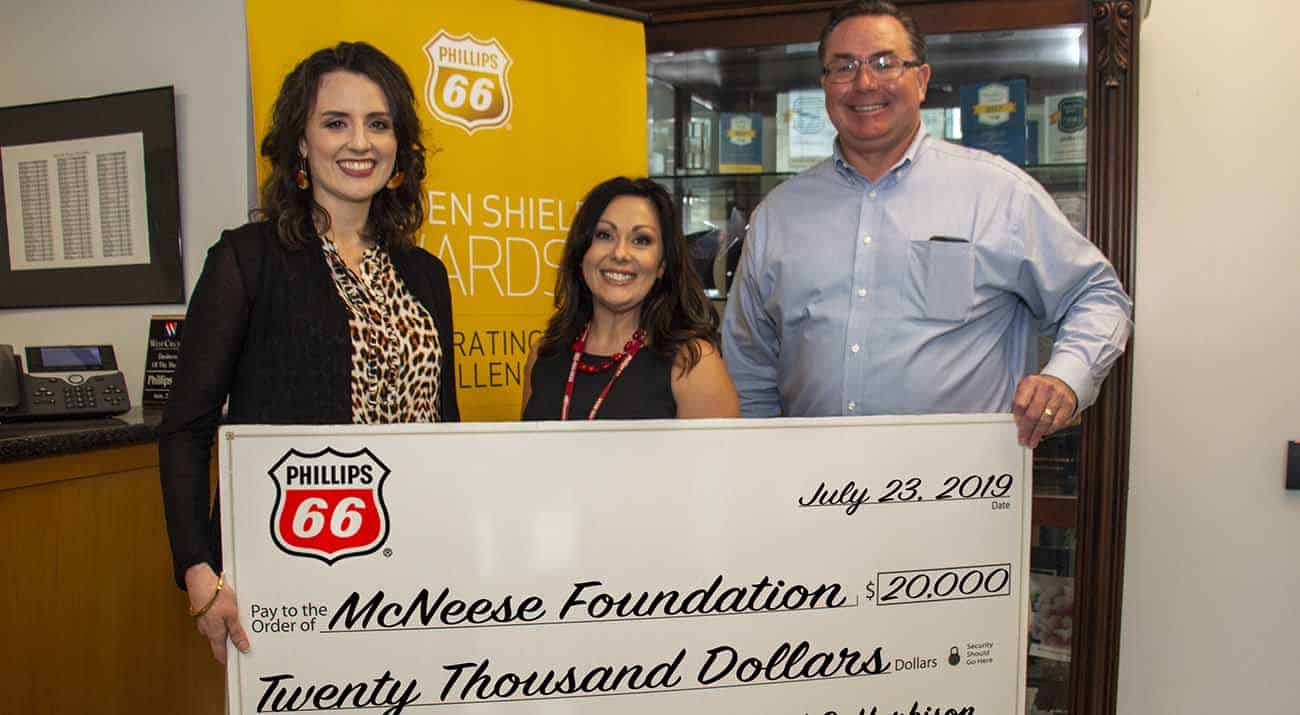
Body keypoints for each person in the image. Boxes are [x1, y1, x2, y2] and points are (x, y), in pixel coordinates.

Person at [157, 42, 458, 665]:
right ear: (300, 142)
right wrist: (197, 571)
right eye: (335, 122)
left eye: (378, 124)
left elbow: (444, 426)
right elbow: (185, 430)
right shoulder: (246, 260)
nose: (360, 143)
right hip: (285, 565)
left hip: (414, 564)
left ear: (400, 145)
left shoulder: (425, 273)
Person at [722, 0, 1132, 447]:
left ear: (921, 79)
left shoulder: (998, 193)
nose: (864, 82)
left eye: (885, 63)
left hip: (957, 490)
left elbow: (1098, 296)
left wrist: (1065, 381)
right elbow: (749, 365)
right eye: (843, 67)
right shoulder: (778, 215)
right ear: (825, 85)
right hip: (814, 489)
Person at [522, 177, 739, 420]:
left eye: (641, 240)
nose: (620, 253)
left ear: (662, 265)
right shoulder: (544, 354)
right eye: (604, 235)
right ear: (581, 253)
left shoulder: (694, 365)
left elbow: (720, 458)